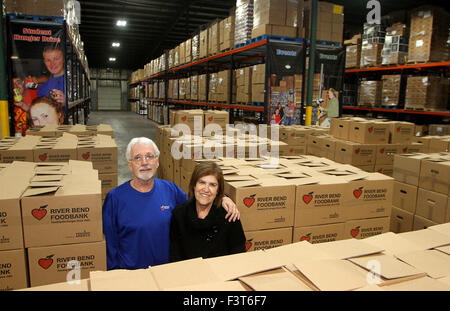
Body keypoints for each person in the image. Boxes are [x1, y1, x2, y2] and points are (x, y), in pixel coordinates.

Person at [102, 137, 240, 270]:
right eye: (138, 158)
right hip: (133, 276)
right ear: (130, 164)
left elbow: (198, 203)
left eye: (150, 156)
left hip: (169, 273)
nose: (144, 162)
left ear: (157, 161)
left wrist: (222, 198)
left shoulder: (171, 190)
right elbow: (109, 245)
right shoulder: (115, 198)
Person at [169, 162, 246, 262]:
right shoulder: (179, 214)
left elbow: (239, 254)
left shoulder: (229, 215)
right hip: (188, 274)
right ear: (194, 185)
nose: (206, 189)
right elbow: (175, 254)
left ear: (218, 190)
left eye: (212, 185)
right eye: (202, 182)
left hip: (222, 275)